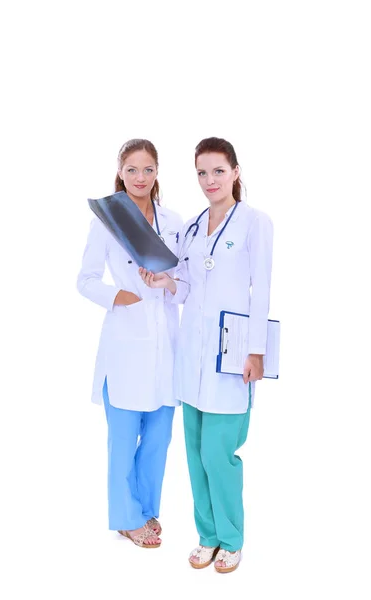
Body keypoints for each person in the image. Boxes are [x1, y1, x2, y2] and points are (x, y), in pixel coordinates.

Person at [139, 137, 274, 571]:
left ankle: (231, 539)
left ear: (235, 171)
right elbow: (188, 285)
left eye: (218, 170)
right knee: (195, 452)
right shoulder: (195, 226)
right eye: (202, 172)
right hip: (192, 355)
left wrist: (256, 351)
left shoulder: (254, 223)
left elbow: (262, 292)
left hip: (233, 356)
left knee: (220, 452)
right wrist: (165, 284)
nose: (209, 180)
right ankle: (208, 536)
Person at [77, 139, 183, 548]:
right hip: (124, 343)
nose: (140, 178)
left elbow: (185, 280)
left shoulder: (173, 221)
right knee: (123, 438)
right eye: (132, 169)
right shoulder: (107, 221)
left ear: (157, 173)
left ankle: (147, 509)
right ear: (120, 172)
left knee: (158, 436)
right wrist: (117, 297)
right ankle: (126, 517)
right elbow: (85, 279)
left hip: (165, 344)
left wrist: (169, 284)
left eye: (148, 170)